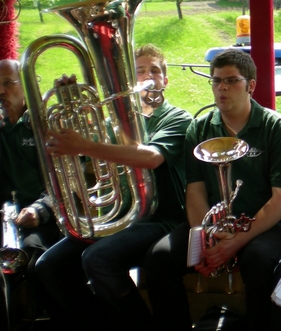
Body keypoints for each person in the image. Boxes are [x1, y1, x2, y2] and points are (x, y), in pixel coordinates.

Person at [34, 44, 192, 331]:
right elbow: (66, 153)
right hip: (119, 220)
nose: (148, 77)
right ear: (130, 82)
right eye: (140, 71)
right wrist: (69, 110)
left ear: (166, 81)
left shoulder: (177, 118)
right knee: (50, 265)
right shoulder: (109, 125)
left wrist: (85, 145)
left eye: (155, 71)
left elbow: (152, 158)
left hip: (161, 219)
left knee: (98, 259)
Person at [145, 48, 281, 331]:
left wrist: (237, 241)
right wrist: (207, 239)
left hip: (267, 227)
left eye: (231, 81)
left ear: (250, 85)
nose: (222, 88)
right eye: (216, 81)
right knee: (160, 258)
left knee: (258, 260)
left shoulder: (276, 128)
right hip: (213, 227)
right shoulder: (200, 128)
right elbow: (195, 191)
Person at [0, 59, 60, 330]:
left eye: (7, 83)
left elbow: (64, 182)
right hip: (5, 218)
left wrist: (39, 209)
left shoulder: (43, 125)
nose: (1, 92)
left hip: (42, 219)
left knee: (38, 261)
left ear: (26, 86)